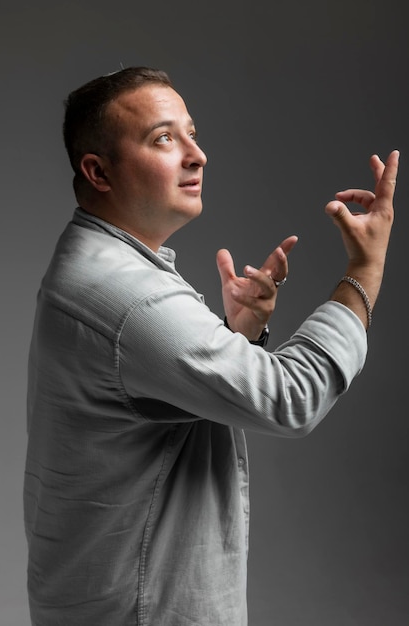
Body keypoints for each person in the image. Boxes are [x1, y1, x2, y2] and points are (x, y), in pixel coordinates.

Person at [23, 66, 399, 626]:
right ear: (98, 171)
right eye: (164, 138)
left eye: (192, 133)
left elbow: (150, 412)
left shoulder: (100, 266)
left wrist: (236, 336)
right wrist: (364, 271)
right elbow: (292, 397)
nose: (197, 155)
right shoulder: (127, 297)